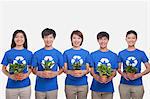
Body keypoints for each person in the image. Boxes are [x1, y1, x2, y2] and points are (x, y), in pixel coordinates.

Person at [32, 28, 64, 99]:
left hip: (53, 87)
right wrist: (39, 73)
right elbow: (33, 69)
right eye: (46, 37)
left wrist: (56, 73)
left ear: (54, 38)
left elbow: (62, 69)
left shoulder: (58, 53)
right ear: (43, 38)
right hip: (39, 87)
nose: (48, 40)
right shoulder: (37, 53)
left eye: (50, 37)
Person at [117, 30, 150, 99]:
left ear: (136, 39)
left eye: (133, 38)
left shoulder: (141, 53)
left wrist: (139, 75)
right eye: (129, 38)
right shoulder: (121, 53)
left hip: (138, 85)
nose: (131, 40)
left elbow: (148, 68)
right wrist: (123, 74)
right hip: (124, 84)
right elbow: (119, 68)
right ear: (126, 39)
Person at [1, 30, 32, 99]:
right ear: (13, 39)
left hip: (25, 86)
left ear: (25, 39)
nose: (19, 39)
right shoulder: (8, 53)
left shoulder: (29, 53)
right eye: (16, 37)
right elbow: (3, 69)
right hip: (11, 86)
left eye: (21, 37)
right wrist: (10, 76)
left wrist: (26, 75)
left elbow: (31, 67)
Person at [90, 31, 118, 99]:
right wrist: (97, 78)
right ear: (98, 40)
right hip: (95, 88)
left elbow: (114, 71)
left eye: (105, 39)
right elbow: (91, 70)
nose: (103, 41)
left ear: (108, 40)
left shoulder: (114, 55)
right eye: (100, 39)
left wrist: (109, 78)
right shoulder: (93, 55)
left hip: (108, 88)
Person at [63, 30, 90, 99]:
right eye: (74, 38)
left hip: (83, 84)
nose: (76, 40)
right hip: (70, 84)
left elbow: (88, 69)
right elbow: (65, 69)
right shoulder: (66, 53)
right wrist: (72, 72)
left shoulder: (86, 53)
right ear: (71, 39)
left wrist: (82, 72)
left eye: (79, 38)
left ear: (81, 40)